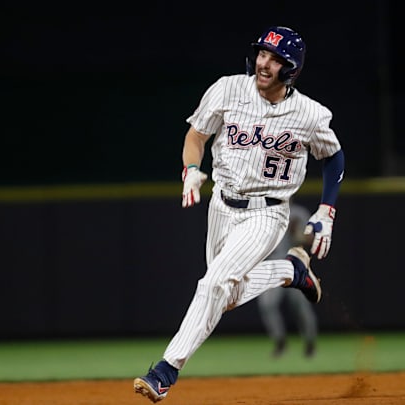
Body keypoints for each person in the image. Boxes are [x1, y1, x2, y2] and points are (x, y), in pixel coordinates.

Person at [133, 25, 345, 403]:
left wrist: (326, 209)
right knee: (225, 294)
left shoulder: (310, 114)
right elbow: (196, 135)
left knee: (212, 285)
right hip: (221, 205)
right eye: (263, 53)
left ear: (291, 68)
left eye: (276, 59)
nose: (264, 63)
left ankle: (166, 369)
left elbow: (333, 157)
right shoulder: (228, 88)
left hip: (267, 213)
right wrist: (192, 170)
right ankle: (290, 271)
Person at [257, 199, 319, 358]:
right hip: (272, 265)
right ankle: (280, 341)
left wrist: (297, 234)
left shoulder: (298, 213)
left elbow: (311, 240)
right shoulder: (264, 213)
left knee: (299, 306)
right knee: (267, 304)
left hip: (293, 263)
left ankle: (310, 341)